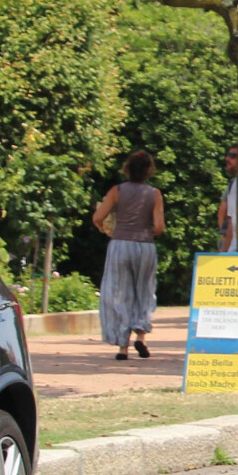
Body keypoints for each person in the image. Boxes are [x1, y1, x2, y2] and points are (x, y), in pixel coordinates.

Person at [94, 150, 166, 360]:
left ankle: (122, 346)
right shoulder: (154, 194)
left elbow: (98, 216)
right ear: (149, 171)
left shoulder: (116, 191)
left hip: (120, 244)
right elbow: (160, 226)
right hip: (144, 245)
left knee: (119, 292)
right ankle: (141, 337)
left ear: (126, 169)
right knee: (145, 290)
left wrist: (104, 228)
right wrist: (147, 233)